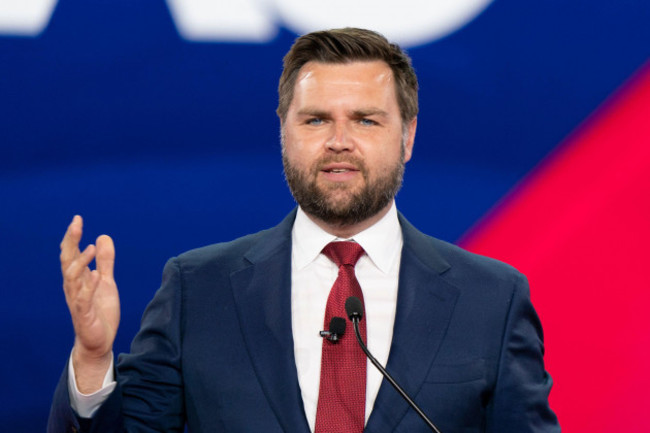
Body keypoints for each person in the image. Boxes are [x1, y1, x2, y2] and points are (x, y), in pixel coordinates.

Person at [48, 28, 560, 432]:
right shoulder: (197, 289)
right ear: (284, 134)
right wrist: (94, 361)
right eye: (315, 120)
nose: (339, 141)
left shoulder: (490, 299)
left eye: (365, 120)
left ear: (407, 137)